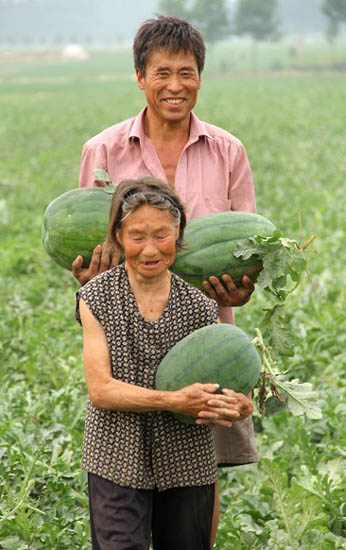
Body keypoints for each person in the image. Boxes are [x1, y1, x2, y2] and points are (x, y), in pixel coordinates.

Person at [73, 14, 258, 543]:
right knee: (122, 474)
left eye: (187, 72)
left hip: (208, 335)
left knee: (199, 481)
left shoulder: (229, 151)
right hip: (125, 334)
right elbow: (91, 251)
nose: (175, 86)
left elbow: (246, 251)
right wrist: (89, 276)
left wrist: (240, 290)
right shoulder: (103, 152)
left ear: (201, 75)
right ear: (139, 76)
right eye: (162, 73)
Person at [76, 177, 249, 550]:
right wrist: (172, 400)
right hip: (115, 458)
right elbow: (101, 390)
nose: (150, 249)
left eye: (161, 235)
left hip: (186, 461)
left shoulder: (201, 307)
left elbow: (224, 386)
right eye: (137, 237)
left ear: (179, 233)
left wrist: (237, 404)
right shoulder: (96, 298)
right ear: (118, 236)